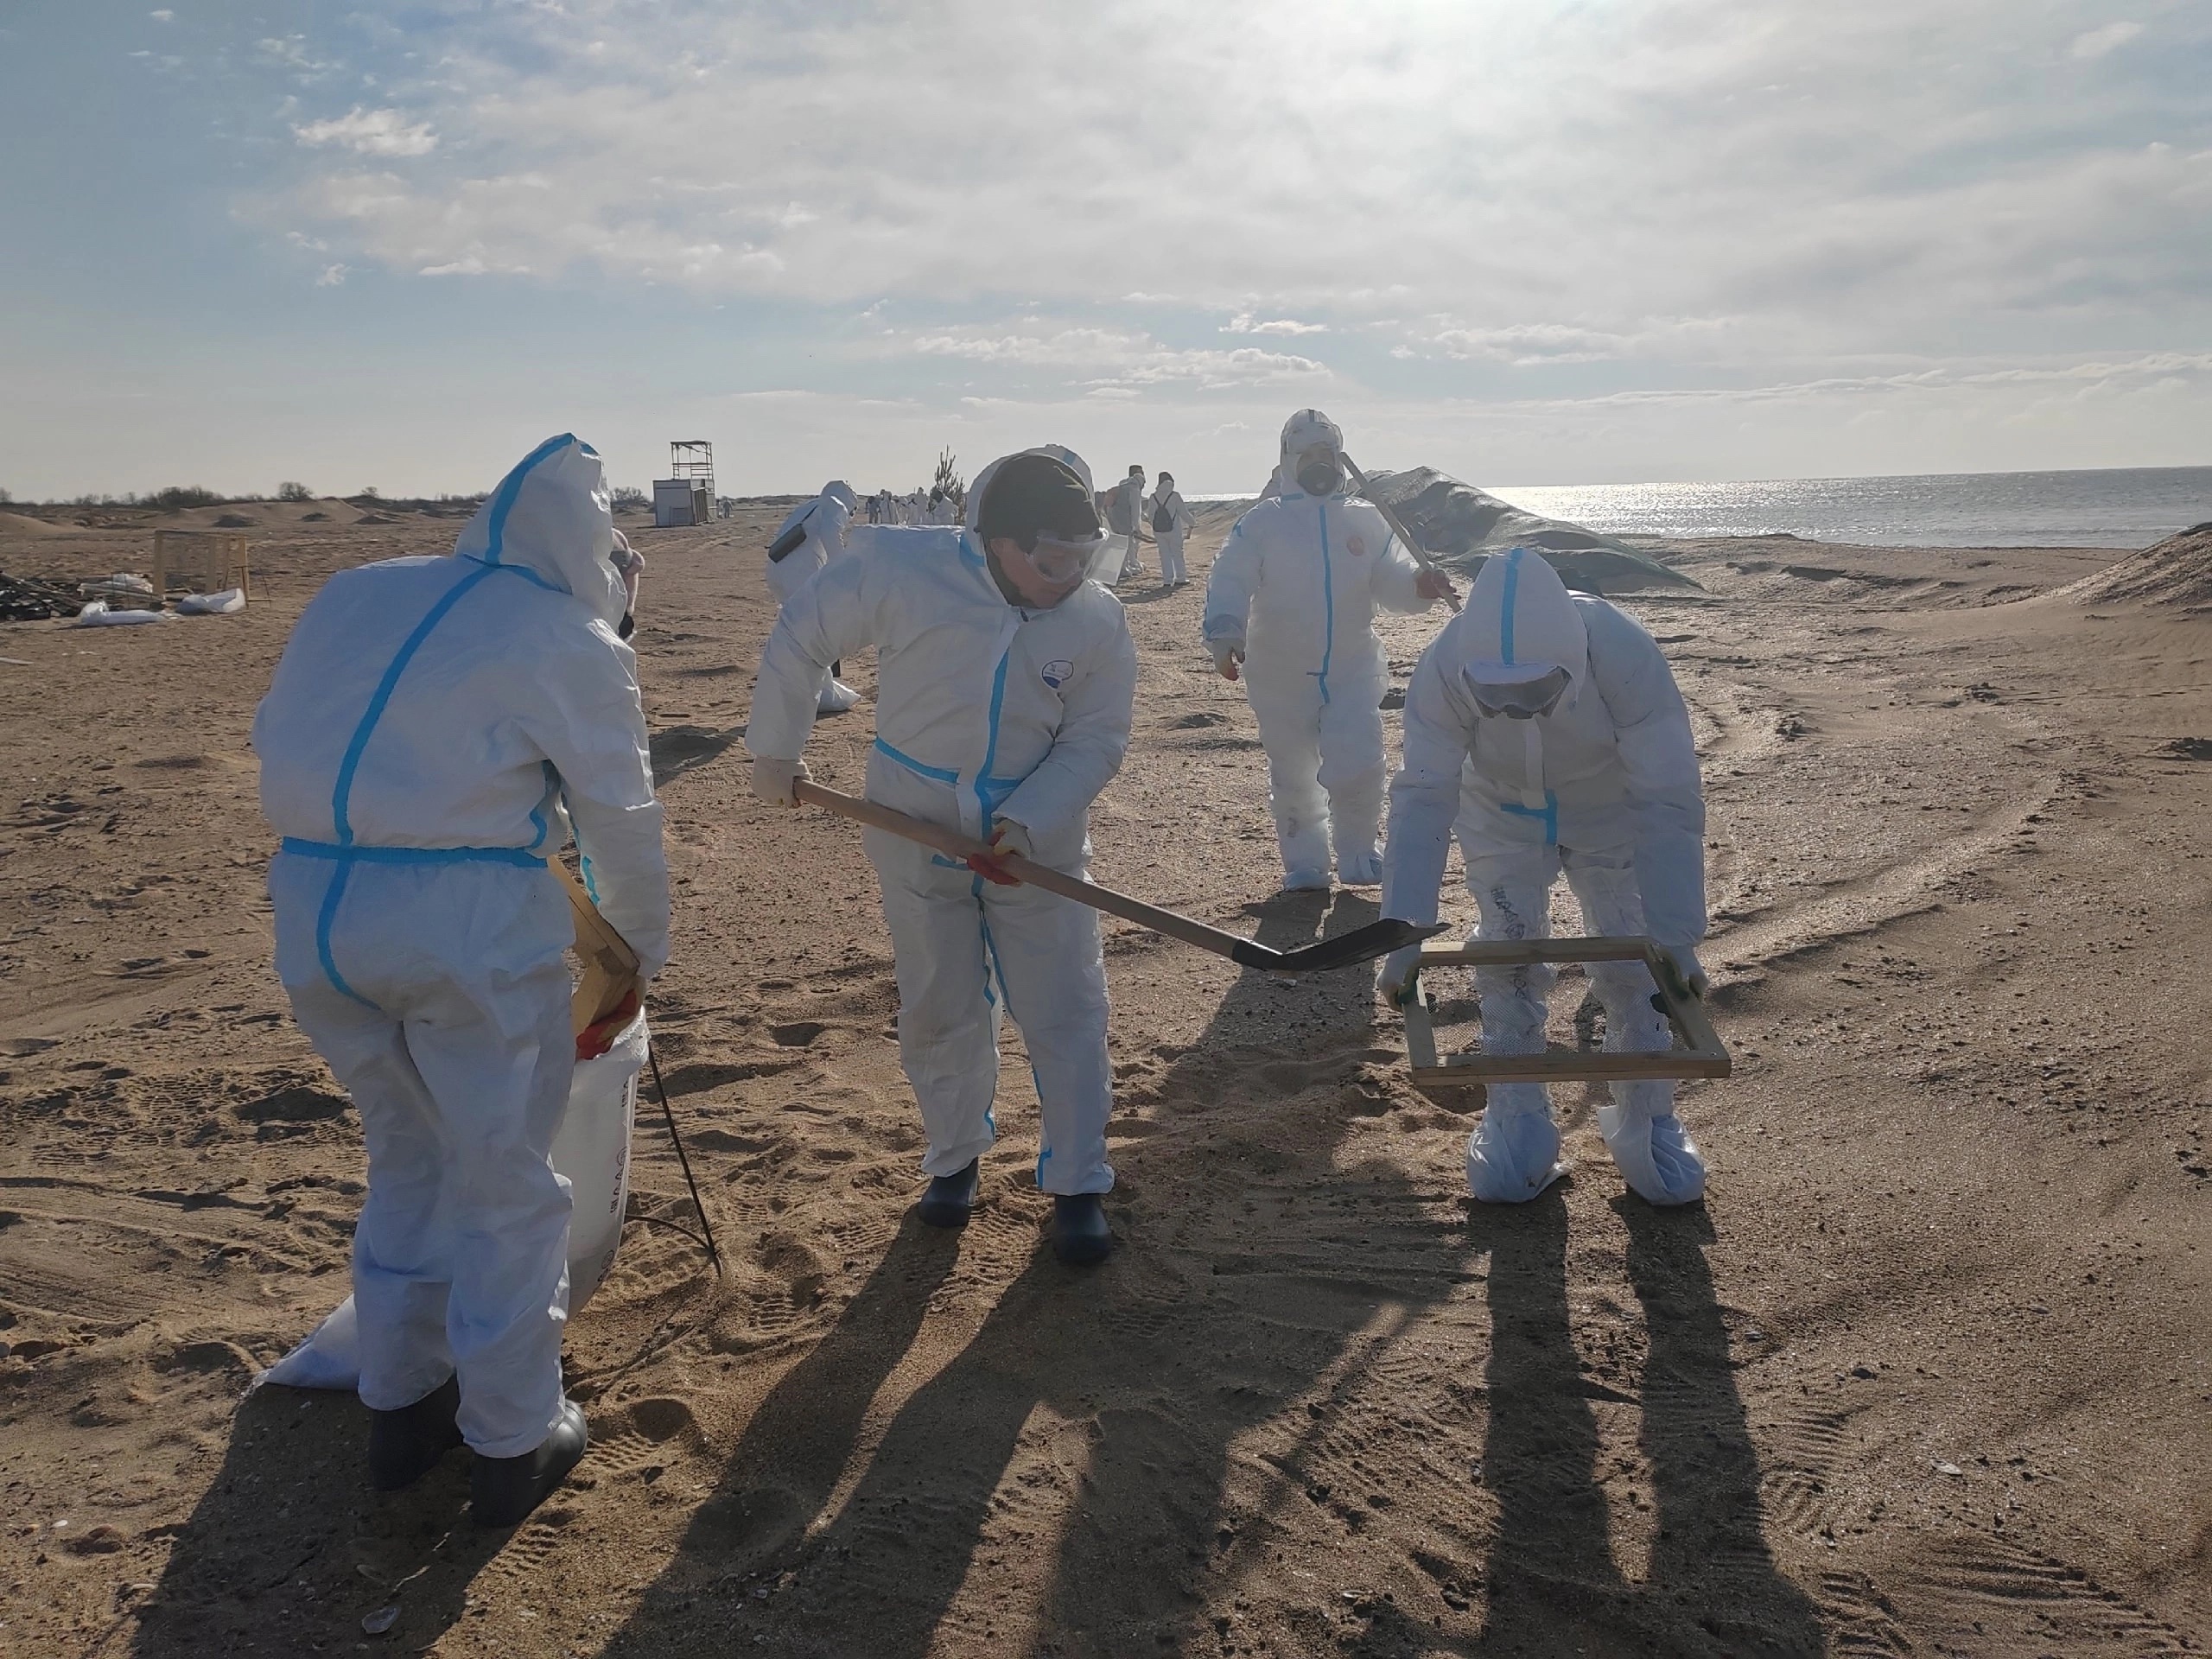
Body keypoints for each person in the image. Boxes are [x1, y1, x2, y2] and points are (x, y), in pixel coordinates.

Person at [251, 434, 671, 1524]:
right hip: (465, 925)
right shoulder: (566, 634)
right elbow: (622, 819)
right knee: (507, 1184)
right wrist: (632, 958)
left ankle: (402, 1410)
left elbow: (289, 731)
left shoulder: (359, 591)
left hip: (316, 907)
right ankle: (513, 1438)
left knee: (408, 1157)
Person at [746, 447, 1138, 1265]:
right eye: (1052, 559)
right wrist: (776, 752)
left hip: (1037, 843)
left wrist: (1028, 821)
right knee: (939, 999)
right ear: (997, 542)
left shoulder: (1096, 620)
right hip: (912, 822)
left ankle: (1078, 1182)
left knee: (1065, 1005)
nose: (1069, 576)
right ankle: (955, 1158)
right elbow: (800, 638)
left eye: (1083, 557)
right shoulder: (900, 573)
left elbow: (1096, 738)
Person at [1375, 546, 1709, 1207]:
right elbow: (1423, 797)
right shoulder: (1444, 666)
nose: (1516, 710)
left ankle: (1648, 1116)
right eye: (1496, 697)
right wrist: (1402, 935)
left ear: (1572, 666)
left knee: (1632, 961)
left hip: (1609, 810)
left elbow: (1667, 795)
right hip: (1500, 813)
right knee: (1508, 959)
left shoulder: (1624, 654)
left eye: (1534, 693)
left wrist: (1677, 936)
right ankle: (1516, 1121)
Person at [1202, 409, 1454, 889]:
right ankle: (1305, 865)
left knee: (1359, 762)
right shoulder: (1263, 522)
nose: (1319, 462)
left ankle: (1359, 854)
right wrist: (1224, 632)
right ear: (1288, 459)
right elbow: (1231, 578)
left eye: (1327, 453)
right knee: (1294, 772)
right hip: (1279, 671)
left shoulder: (1366, 519)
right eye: (1308, 454)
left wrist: (1419, 586)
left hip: (1351, 667)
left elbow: (1391, 579)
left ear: (1341, 457)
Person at [765, 481, 863, 713]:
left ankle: (803, 687)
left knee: (797, 630)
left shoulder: (810, 507)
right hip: (799, 574)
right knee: (814, 631)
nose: (849, 516)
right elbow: (832, 536)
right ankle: (819, 693)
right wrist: (845, 572)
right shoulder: (835, 505)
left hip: (777, 572)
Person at [1147, 471, 1195, 588]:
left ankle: (1167, 580)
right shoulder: (1175, 496)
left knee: (1164, 555)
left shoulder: (1153, 497)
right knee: (1177, 554)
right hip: (1174, 530)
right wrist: (1192, 522)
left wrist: (1156, 527)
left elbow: (1151, 516)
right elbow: (1183, 513)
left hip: (1159, 531)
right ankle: (1180, 577)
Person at [1111, 464, 1147, 583]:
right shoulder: (1134, 488)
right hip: (1125, 520)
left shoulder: (1122, 485)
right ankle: (1125, 568)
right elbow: (1136, 510)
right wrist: (1136, 527)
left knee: (1121, 543)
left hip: (1114, 518)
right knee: (1128, 544)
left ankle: (1125, 565)